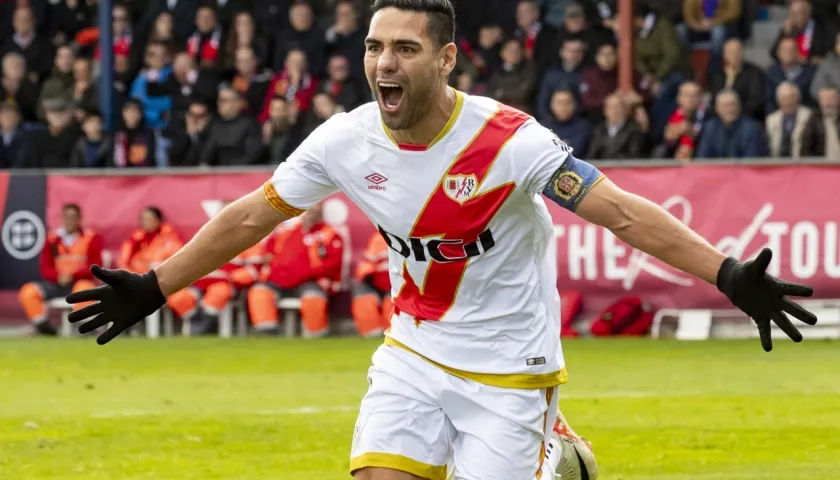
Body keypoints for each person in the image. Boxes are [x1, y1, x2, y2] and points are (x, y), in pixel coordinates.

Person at [66, 2, 817, 480]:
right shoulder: (345, 140)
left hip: (509, 371)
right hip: (414, 354)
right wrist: (157, 284)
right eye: (373, 47)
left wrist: (725, 271)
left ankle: (552, 452)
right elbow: (250, 216)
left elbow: (618, 211)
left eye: (404, 48)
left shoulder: (509, 141)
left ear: (446, 58)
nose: (383, 64)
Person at [18, 204, 102, 335]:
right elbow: (45, 267)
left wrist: (72, 275)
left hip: (79, 282)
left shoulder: (91, 238)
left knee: (84, 289)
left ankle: (84, 327)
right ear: (62, 218)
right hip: (56, 283)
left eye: (73, 217)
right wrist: (58, 277)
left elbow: (95, 266)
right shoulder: (52, 239)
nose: (69, 221)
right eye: (66, 217)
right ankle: (43, 327)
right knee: (28, 291)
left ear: (79, 219)